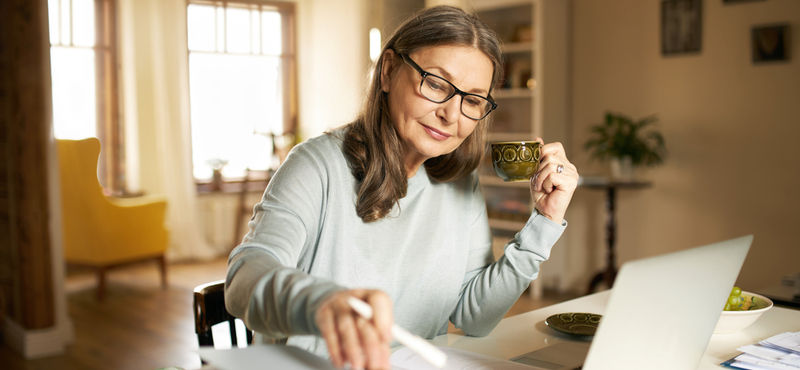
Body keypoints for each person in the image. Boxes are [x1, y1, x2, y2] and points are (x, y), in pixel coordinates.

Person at [224, 5, 579, 370]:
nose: (452, 115)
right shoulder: (316, 166)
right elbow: (242, 280)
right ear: (389, 71)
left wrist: (544, 222)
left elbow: (476, 317)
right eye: (437, 84)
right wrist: (320, 302)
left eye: (472, 100)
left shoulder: (460, 183)